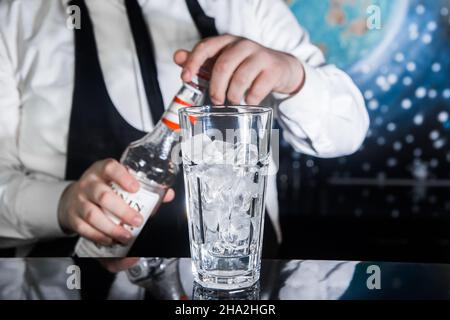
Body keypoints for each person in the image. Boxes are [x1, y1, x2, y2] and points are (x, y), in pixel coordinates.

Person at [0, 0, 369, 257]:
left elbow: (348, 130)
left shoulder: (248, 6)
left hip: (238, 296)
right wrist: (62, 205)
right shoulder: (16, 18)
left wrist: (292, 75)